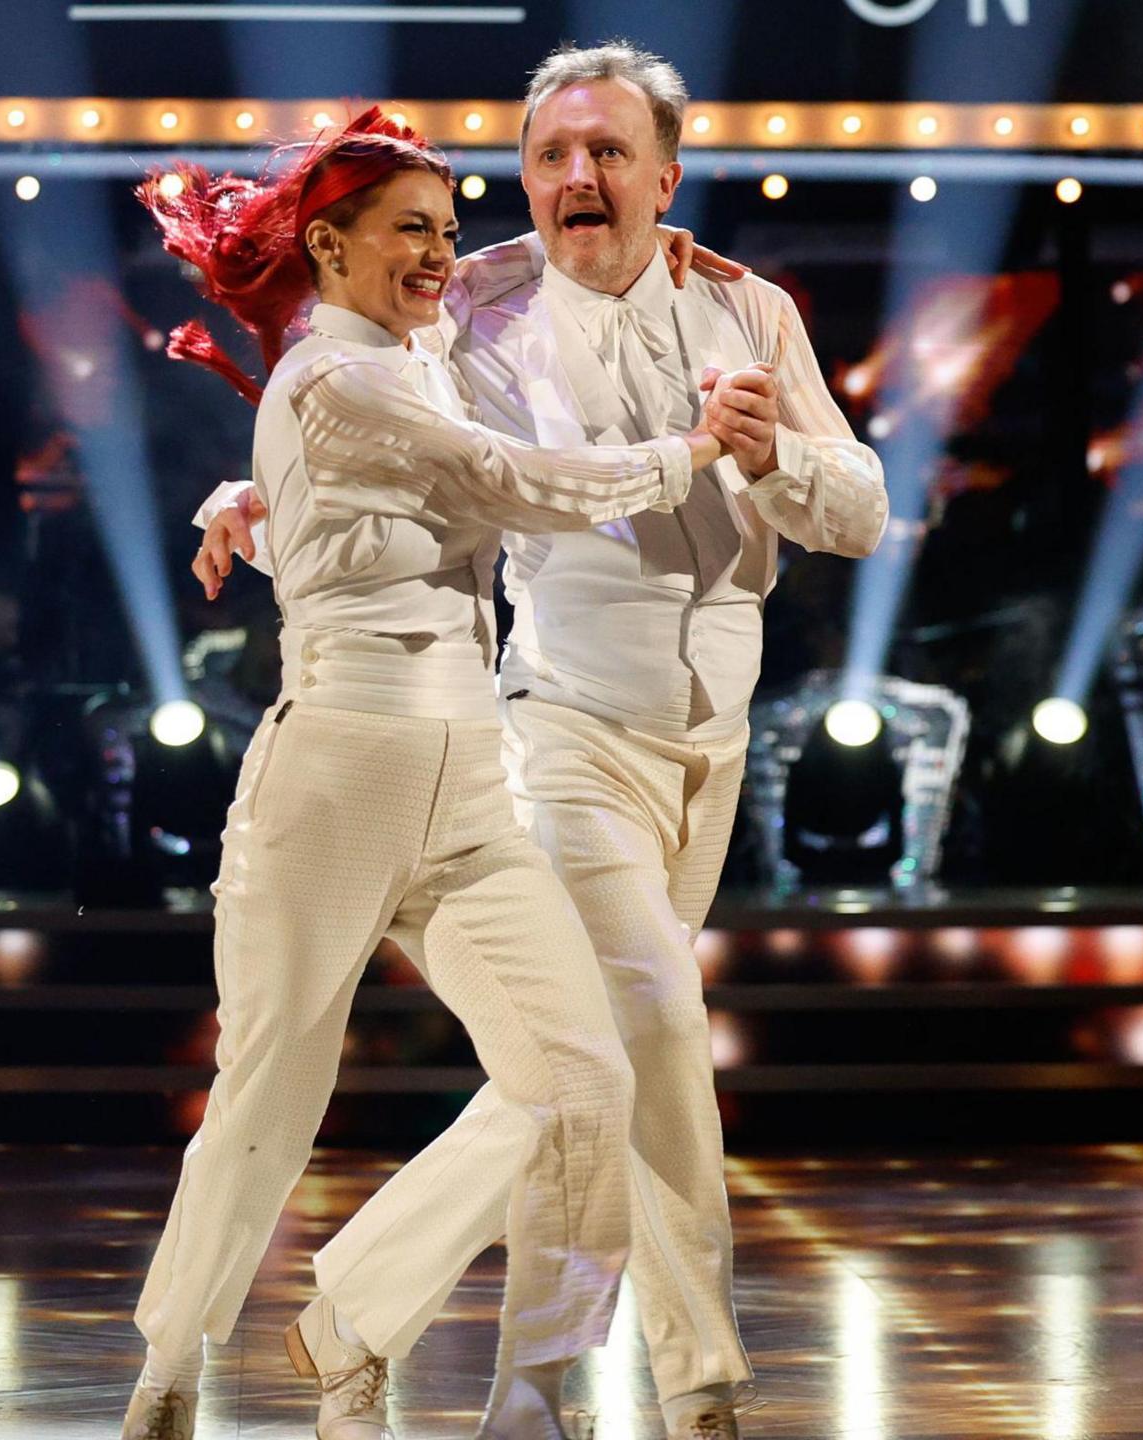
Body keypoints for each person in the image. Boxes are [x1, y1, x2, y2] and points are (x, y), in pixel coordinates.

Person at [197, 43, 890, 1440]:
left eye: (609, 153)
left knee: (585, 1077)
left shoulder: (749, 310)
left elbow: (859, 510)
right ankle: (652, 1384)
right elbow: (358, 421)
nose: (580, 179)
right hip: (561, 731)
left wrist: (774, 460)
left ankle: (356, 1312)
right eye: (554, 156)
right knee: (660, 1038)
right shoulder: (472, 308)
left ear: (664, 173)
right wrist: (256, 493)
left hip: (714, 744)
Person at [122, 109, 737, 1440]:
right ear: (327, 245)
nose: (441, 258)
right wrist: (691, 451)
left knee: (580, 1082)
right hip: (336, 776)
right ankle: (170, 1371)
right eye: (411, 230)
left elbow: (367, 544)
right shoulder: (332, 379)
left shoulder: (414, 374)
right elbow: (519, 483)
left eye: (450, 232)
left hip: (471, 786)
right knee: (273, 1093)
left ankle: (351, 1314)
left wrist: (254, 509)